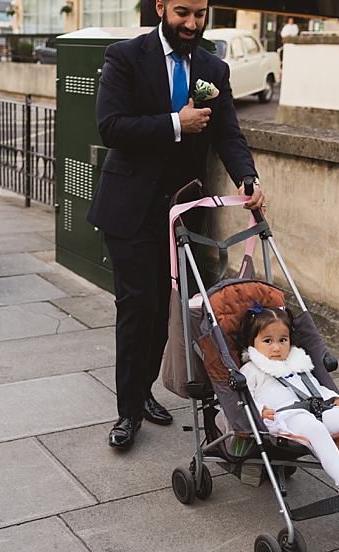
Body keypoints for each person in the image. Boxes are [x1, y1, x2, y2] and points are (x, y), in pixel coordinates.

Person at [88, 0, 265, 450]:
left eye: (199, 15)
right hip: (131, 206)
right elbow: (111, 126)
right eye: (182, 13)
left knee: (167, 313)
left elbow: (227, 133)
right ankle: (127, 412)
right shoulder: (124, 57)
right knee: (136, 307)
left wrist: (248, 176)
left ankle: (144, 389)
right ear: (162, 7)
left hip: (185, 212)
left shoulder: (214, 69)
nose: (191, 23)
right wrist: (175, 123)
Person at [238, 304, 339, 506]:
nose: (277, 347)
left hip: (317, 408)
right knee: (315, 428)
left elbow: (315, 387)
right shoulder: (251, 369)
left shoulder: (297, 364)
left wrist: (333, 398)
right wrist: (260, 409)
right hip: (284, 418)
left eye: (283, 340)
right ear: (252, 343)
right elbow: (246, 397)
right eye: (268, 341)